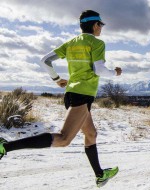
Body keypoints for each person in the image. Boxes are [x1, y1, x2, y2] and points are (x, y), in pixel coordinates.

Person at [0, 10, 122, 188]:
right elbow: (99, 70)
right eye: (101, 25)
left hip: (72, 93)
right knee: (64, 139)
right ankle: (5, 147)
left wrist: (57, 80)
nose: (101, 29)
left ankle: (100, 175)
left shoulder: (70, 43)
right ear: (95, 25)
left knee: (91, 134)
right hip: (82, 95)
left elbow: (45, 60)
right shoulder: (96, 43)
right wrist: (115, 73)